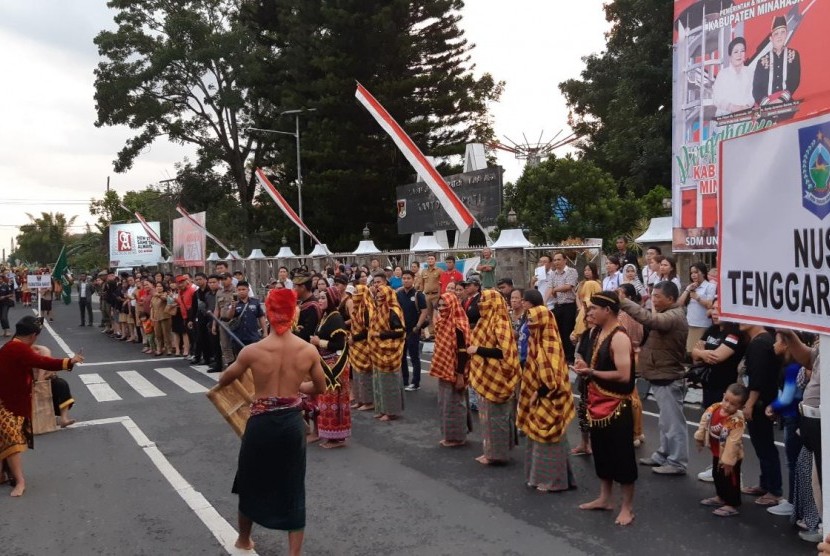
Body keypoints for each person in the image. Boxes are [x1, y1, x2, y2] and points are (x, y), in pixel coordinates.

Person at [219, 288, 326, 555]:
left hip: (261, 423)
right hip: (291, 423)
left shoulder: (253, 351)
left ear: (268, 313)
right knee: (292, 484)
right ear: (293, 314)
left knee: (251, 479)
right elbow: (320, 387)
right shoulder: (307, 350)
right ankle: (294, 554)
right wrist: (296, 386)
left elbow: (224, 380)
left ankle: (244, 539)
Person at [0, 316, 83, 497]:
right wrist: (70, 361)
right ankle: (20, 481)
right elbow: (44, 362)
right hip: (9, 403)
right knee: (12, 439)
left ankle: (7, 474)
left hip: (10, 400)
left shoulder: (13, 346)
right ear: (32, 335)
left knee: (7, 439)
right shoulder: (17, 349)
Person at [575, 292, 637, 526]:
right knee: (601, 453)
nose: (589, 313)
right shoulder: (596, 332)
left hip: (616, 405)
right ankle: (605, 498)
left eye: (594, 309)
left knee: (622, 456)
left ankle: (627, 507)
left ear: (607, 310)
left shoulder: (619, 337)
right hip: (596, 402)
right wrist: (585, 365)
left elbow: (623, 375)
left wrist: (592, 373)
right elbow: (595, 362)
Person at [622, 281, 689, 475]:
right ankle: (663, 454)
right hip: (660, 374)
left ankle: (677, 462)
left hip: (668, 375)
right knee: (665, 421)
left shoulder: (673, 316)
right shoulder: (668, 313)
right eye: (652, 295)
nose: (653, 299)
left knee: (673, 422)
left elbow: (651, 320)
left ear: (670, 298)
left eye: (657, 296)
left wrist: (624, 302)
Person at [517, 303, 576, 492]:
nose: (531, 325)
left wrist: (537, 393)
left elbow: (554, 380)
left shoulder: (550, 343)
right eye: (529, 321)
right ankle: (539, 477)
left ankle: (554, 481)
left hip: (551, 397)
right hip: (539, 395)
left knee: (550, 438)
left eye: (534, 321)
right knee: (537, 439)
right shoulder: (537, 340)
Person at [467, 289, 521, 465]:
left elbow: (504, 352)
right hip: (486, 374)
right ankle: (490, 451)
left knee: (496, 417)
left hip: (497, 377)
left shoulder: (500, 322)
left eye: (484, 300)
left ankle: (497, 454)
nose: (480, 304)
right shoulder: (485, 321)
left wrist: (478, 350)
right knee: (487, 417)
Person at [739, 322, 783, 506]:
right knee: (761, 445)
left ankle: (774, 490)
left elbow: (758, 377)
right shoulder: (762, 341)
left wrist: (749, 403)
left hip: (760, 402)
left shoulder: (760, 343)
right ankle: (765, 484)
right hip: (762, 400)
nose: (739, 322)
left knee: (765, 446)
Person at [694, 383, 748, 517]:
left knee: (730, 479)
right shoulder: (714, 408)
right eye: (726, 400)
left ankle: (732, 503)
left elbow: (733, 441)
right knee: (717, 475)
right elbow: (704, 423)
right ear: (723, 396)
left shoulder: (736, 420)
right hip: (717, 451)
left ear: (740, 406)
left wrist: (729, 462)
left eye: (733, 404)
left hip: (730, 456)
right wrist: (699, 438)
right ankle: (720, 496)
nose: (727, 405)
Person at [309, 287, 351, 449]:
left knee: (333, 401)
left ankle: (336, 437)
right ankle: (330, 436)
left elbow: (339, 344)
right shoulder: (326, 316)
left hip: (335, 365)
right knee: (326, 400)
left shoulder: (336, 318)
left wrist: (319, 342)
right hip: (325, 362)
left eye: (323, 298)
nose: (319, 300)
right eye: (318, 297)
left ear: (331, 300)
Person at [430, 292, 471, 447]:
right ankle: (450, 436)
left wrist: (460, 375)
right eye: (439, 305)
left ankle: (457, 438)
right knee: (445, 404)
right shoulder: (443, 323)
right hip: (444, 370)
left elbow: (462, 352)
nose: (441, 308)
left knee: (455, 405)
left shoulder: (458, 325)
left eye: (444, 305)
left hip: (455, 372)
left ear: (452, 305)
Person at [369, 278, 406, 421]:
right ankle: (381, 409)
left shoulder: (393, 311)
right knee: (379, 382)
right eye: (377, 297)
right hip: (378, 351)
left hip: (390, 351)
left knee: (389, 383)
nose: (378, 299)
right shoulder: (379, 310)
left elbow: (400, 331)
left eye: (381, 297)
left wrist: (380, 334)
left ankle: (390, 411)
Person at [752, 16, 800, 107]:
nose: (779, 36)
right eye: (776, 34)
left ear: (786, 34)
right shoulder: (762, 61)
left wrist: (781, 99)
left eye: (782, 32)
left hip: (787, 103)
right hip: (766, 106)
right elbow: (756, 89)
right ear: (771, 38)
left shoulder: (793, 55)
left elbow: (794, 80)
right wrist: (768, 104)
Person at [397, 271, 428, 392]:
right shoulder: (398, 294)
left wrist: (418, 326)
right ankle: (405, 380)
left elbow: (424, 311)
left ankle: (415, 382)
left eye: (408, 278)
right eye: (404, 278)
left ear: (413, 279)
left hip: (413, 330)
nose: (406, 280)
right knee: (402, 356)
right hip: (401, 330)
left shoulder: (418, 295)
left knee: (414, 357)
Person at [32, 345, 76, 428]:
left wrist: (42, 380)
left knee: (61, 384)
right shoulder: (20, 354)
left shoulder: (43, 350)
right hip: (27, 385)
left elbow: (48, 368)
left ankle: (64, 419)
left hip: (45, 381)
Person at [678, 262, 716, 355]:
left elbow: (710, 305)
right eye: (691, 273)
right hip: (690, 323)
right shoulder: (691, 286)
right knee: (691, 352)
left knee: (699, 352)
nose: (693, 275)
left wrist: (697, 297)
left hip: (702, 324)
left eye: (696, 272)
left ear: (703, 273)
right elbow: (680, 303)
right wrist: (687, 289)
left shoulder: (710, 286)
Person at [547, 252, 578, 362]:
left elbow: (568, 286)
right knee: (557, 332)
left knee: (567, 331)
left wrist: (555, 290)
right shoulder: (552, 274)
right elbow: (549, 288)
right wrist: (543, 302)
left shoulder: (571, 271)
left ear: (565, 260)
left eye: (559, 259)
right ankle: (560, 356)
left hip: (569, 306)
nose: (556, 262)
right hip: (557, 306)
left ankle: (570, 358)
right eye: (554, 260)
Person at [348, 284, 374, 412]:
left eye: (357, 294)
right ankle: (359, 400)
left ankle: (368, 401)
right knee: (356, 374)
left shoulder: (367, 309)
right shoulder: (357, 309)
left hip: (364, 345)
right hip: (355, 346)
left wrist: (355, 338)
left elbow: (369, 330)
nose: (354, 297)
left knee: (365, 374)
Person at [712, 37, 754, 116]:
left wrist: (747, 106)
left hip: (746, 116)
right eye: (736, 52)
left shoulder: (750, 72)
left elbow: (754, 94)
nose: (739, 54)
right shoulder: (723, 74)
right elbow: (716, 99)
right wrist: (733, 108)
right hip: (725, 118)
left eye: (742, 51)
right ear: (730, 56)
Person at [225, 282, 267, 357]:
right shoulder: (233, 303)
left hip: (253, 336)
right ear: (236, 290)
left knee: (254, 358)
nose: (241, 291)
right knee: (240, 359)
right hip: (238, 337)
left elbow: (261, 317)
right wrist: (233, 307)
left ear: (248, 290)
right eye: (239, 289)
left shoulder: (255, 302)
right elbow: (229, 317)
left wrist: (265, 332)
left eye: (243, 289)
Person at [572, 263, 601, 345]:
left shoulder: (597, 283)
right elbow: (578, 296)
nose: (586, 272)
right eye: (585, 270)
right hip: (581, 309)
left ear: (594, 271)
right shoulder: (581, 283)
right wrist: (580, 307)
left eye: (589, 270)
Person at [292, 274, 321, 343]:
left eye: (295, 286)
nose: (294, 289)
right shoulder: (302, 303)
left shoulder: (312, 307)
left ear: (303, 287)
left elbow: (307, 333)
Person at [420, 254, 442, 340]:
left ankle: (438, 333)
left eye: (432, 259)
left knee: (437, 315)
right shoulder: (424, 271)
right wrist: (420, 294)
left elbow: (441, 284)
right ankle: (430, 334)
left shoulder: (440, 271)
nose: (430, 260)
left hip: (436, 295)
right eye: (428, 259)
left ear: (435, 260)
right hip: (426, 295)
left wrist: (440, 296)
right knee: (428, 315)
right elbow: (422, 284)